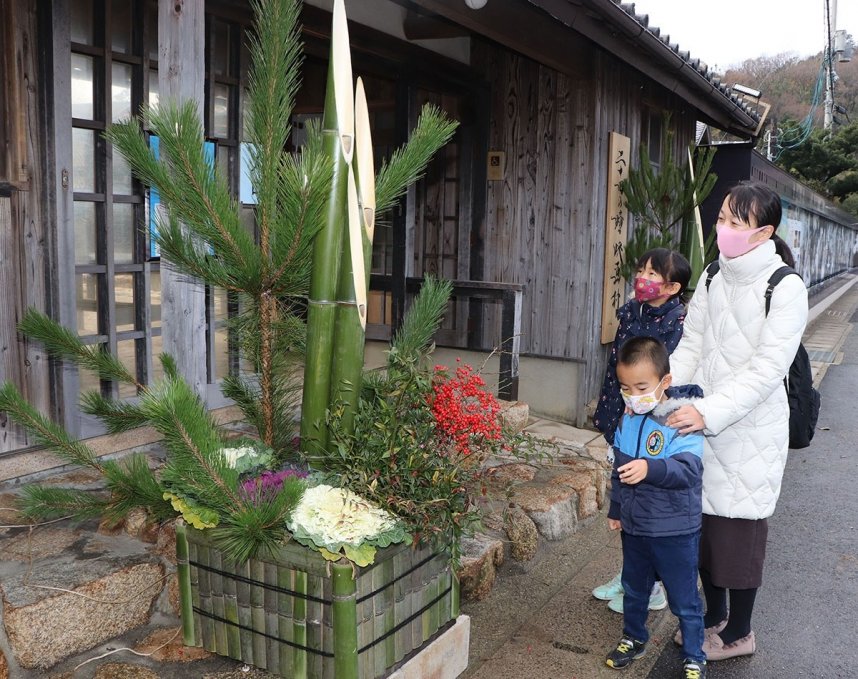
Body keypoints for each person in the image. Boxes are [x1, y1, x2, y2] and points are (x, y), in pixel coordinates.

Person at [665, 181, 808, 661]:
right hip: (700, 423)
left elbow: (768, 370)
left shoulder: (785, 287)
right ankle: (711, 618)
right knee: (703, 529)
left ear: (763, 231)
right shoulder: (711, 276)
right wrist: (664, 390)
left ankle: (740, 633)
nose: (721, 227)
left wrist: (707, 411)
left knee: (737, 533)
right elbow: (692, 344)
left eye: (734, 222)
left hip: (748, 430)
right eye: (721, 217)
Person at [592, 248, 692, 613]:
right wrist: (609, 414)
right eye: (641, 271)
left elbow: (671, 380)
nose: (642, 279)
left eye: (653, 274)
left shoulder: (678, 322)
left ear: (673, 286)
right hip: (623, 415)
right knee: (627, 507)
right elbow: (614, 369)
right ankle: (629, 574)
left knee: (651, 509)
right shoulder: (631, 311)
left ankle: (652, 586)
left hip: (653, 423)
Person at [604, 336, 707, 679]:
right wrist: (616, 510)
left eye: (641, 386)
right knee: (635, 590)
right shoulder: (627, 419)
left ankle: (694, 654)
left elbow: (689, 470)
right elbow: (619, 468)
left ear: (665, 382)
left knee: (683, 599)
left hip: (674, 529)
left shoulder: (680, 419)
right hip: (636, 528)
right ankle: (633, 638)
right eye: (625, 387)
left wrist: (650, 468)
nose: (633, 395)